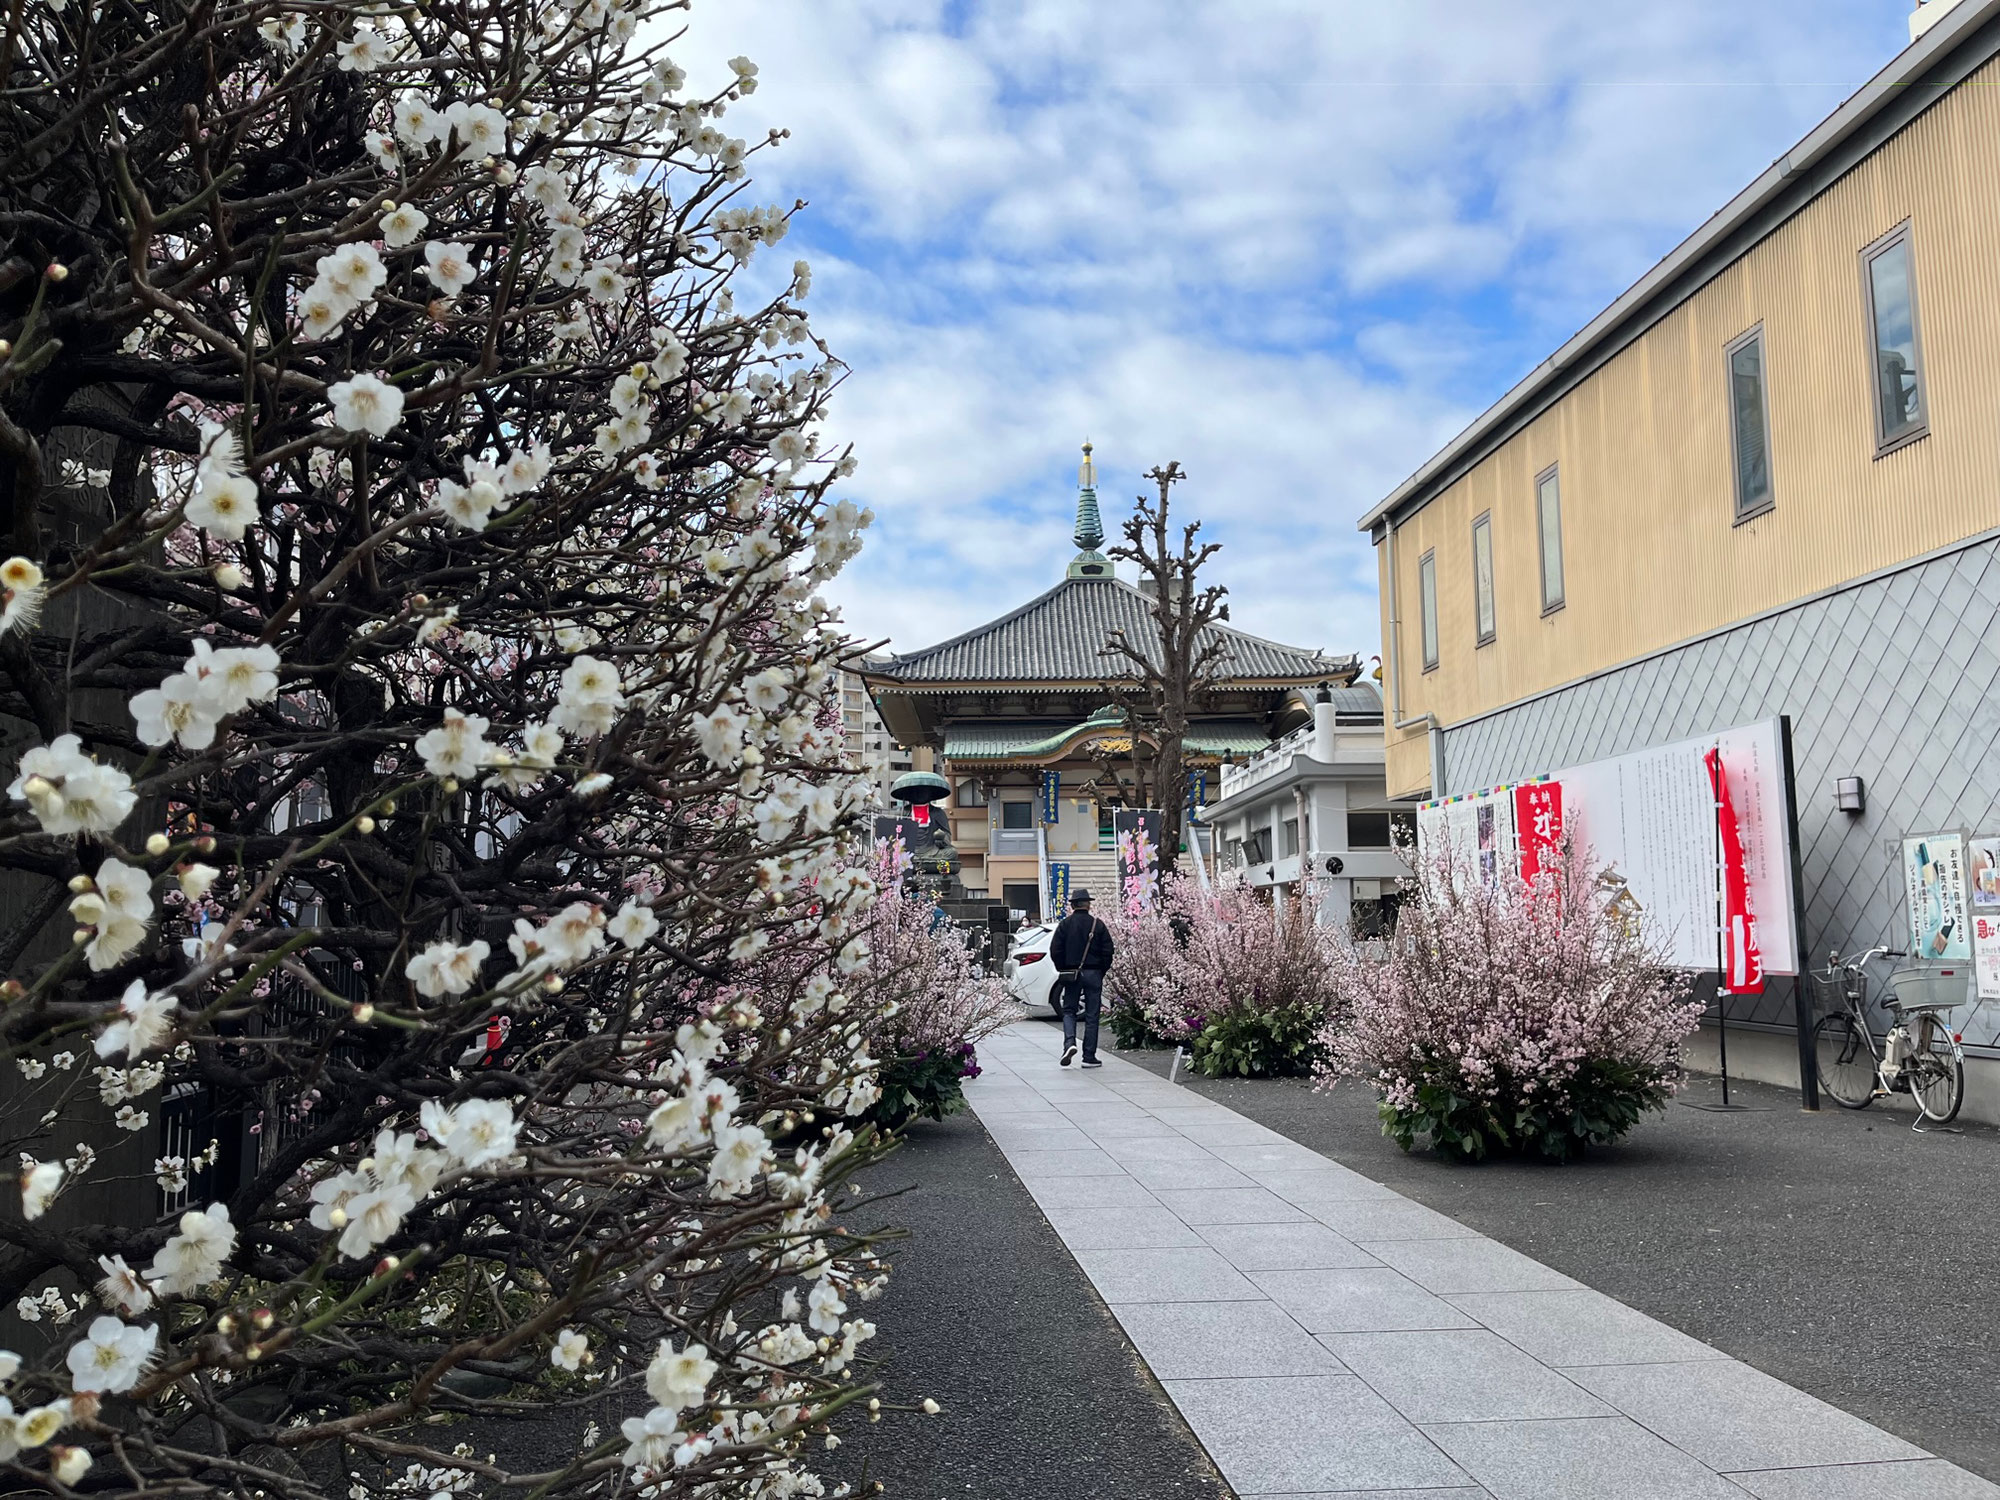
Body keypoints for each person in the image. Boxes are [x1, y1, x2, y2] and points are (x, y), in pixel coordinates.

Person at [1049, 887, 1115, 1068]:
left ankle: (1069, 1043)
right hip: (1094, 972)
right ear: (1087, 904)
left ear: (1073, 905)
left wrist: (1063, 968)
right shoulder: (1098, 925)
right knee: (1092, 1014)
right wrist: (1101, 970)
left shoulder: (1065, 925)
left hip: (1071, 973)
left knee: (1069, 1011)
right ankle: (1089, 1057)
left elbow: (1055, 950)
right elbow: (1108, 951)